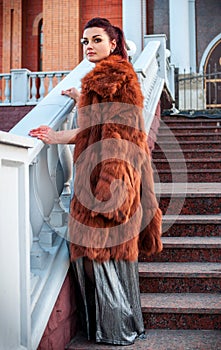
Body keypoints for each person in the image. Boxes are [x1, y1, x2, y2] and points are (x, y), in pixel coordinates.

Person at [29, 17, 162, 346]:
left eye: (96, 40)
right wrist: (81, 98)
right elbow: (101, 123)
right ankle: (121, 326)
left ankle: (118, 330)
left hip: (108, 181)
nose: (88, 46)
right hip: (106, 179)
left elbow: (115, 137)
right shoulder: (104, 80)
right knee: (105, 258)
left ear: (113, 44)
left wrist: (56, 137)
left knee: (98, 259)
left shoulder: (110, 77)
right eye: (85, 41)